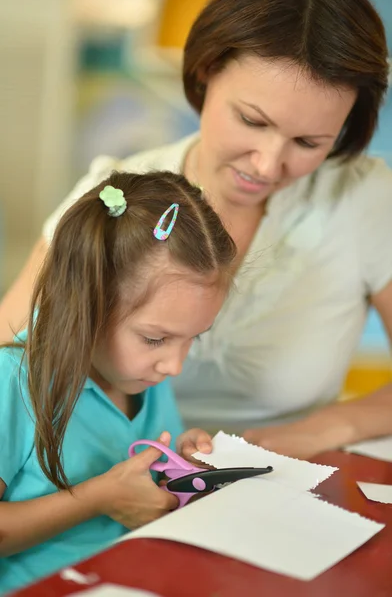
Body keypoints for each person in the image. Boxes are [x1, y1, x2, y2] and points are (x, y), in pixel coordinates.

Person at [1, 0, 392, 460]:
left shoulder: (366, 199)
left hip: (286, 475)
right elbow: (10, 352)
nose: (267, 165)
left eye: (309, 143)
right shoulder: (113, 200)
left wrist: (325, 427)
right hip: (116, 483)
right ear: (205, 71)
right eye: (251, 120)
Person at [0, 170, 236, 594]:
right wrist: (98, 498)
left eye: (192, 338)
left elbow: (145, 477)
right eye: (155, 338)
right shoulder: (12, 380)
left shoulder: (142, 372)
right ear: (85, 302)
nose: (174, 366)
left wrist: (178, 462)